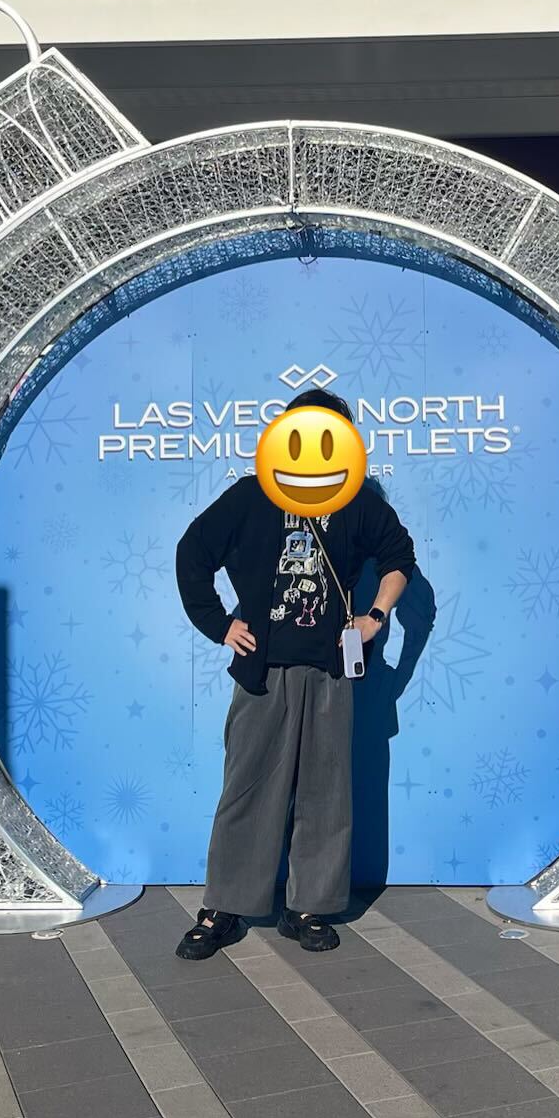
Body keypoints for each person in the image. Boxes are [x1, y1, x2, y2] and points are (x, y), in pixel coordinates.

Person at [171, 389, 416, 960]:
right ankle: (224, 907)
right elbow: (193, 551)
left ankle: (309, 906)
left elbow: (400, 558)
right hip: (263, 671)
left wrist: (376, 617)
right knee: (247, 786)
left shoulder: (357, 503)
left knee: (326, 792)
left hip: (331, 669)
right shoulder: (252, 495)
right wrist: (219, 624)